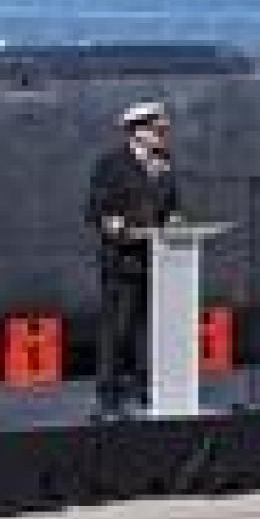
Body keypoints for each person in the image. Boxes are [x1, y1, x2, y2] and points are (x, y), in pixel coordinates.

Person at [86, 101, 182, 415]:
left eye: (164, 130)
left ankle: (143, 386)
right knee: (118, 327)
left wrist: (174, 220)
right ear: (137, 132)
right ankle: (109, 390)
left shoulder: (163, 164)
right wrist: (113, 222)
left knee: (146, 328)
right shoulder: (111, 164)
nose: (163, 136)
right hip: (122, 258)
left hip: (156, 257)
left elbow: (170, 206)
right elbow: (95, 209)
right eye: (158, 130)